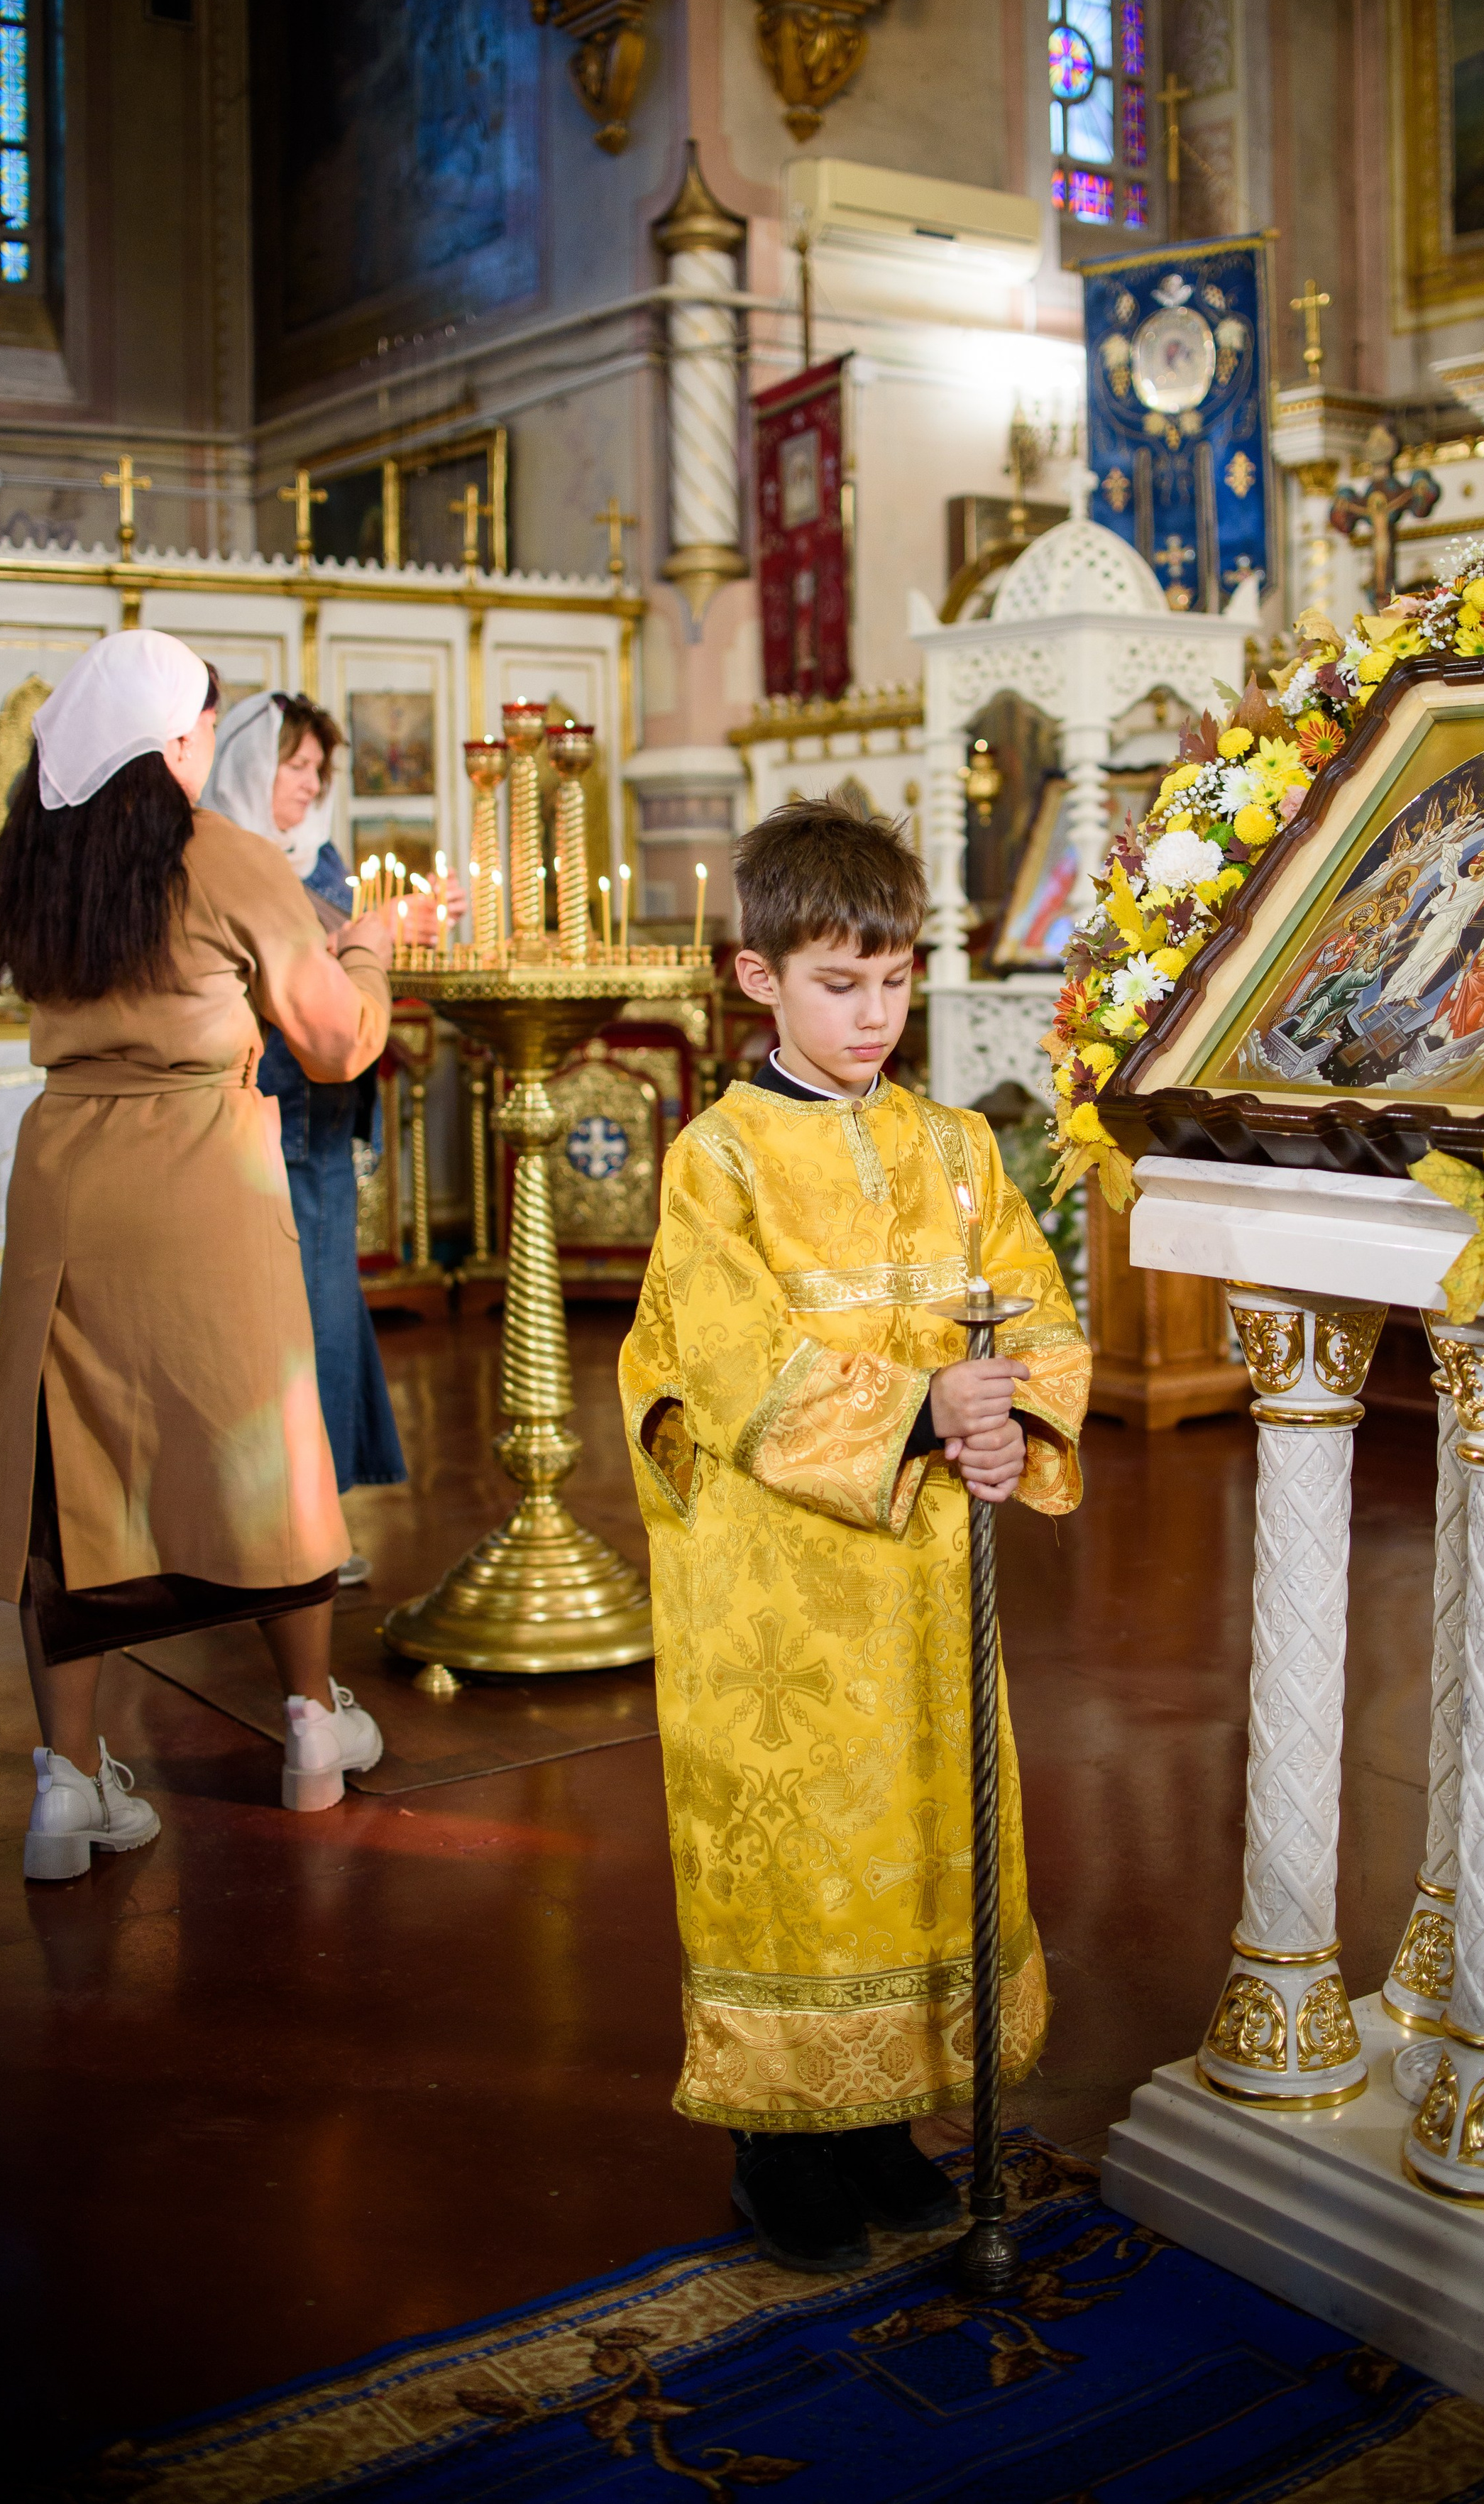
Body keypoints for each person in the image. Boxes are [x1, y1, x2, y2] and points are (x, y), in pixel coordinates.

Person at [618, 798, 1090, 2275]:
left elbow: (1034, 1311)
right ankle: (781, 2142)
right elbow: (728, 1362)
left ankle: (885, 2116)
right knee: (798, 1844)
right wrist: (920, 1407)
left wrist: (1010, 1419)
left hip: (925, 1573)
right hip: (775, 1584)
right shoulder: (718, 1159)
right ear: (757, 976)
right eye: (838, 984)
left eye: (894, 980)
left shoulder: (959, 1147)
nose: (873, 1015)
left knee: (917, 1826)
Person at [0, 632, 441, 1878]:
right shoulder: (219, 853)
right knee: (260, 1447)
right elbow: (335, 1042)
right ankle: (311, 1727)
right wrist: (372, 939)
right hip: (200, 1175)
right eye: (200, 726)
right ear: (175, 738)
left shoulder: (38, 853)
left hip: (68, 1179)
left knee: (74, 1478)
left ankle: (68, 1783)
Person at [204, 691, 417, 1574]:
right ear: (252, 765)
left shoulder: (319, 860)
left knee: (325, 1313)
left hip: (320, 1125)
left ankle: (311, 1519)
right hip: (264, 1118)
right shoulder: (225, 859)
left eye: (318, 771)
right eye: (294, 765)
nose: (308, 783)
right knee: (282, 1325)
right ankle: (291, 1530)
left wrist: (390, 935)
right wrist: (362, 947)